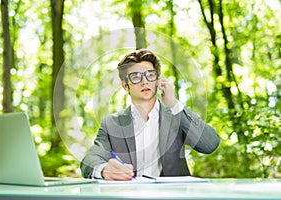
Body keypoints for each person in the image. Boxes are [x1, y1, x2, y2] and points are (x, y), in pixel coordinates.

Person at [80, 49, 220, 180]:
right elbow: (90, 159)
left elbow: (209, 144)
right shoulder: (111, 123)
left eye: (150, 75)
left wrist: (173, 104)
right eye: (135, 77)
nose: (144, 81)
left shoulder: (176, 115)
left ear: (158, 80)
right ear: (125, 86)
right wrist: (104, 170)